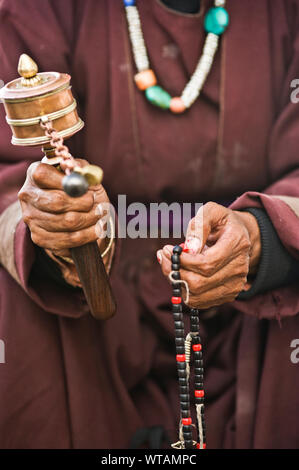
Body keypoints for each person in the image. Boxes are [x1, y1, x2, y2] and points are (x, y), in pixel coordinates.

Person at [0, 0, 299, 449]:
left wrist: (262, 239)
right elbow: (12, 179)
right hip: (92, 303)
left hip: (255, 305)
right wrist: (54, 227)